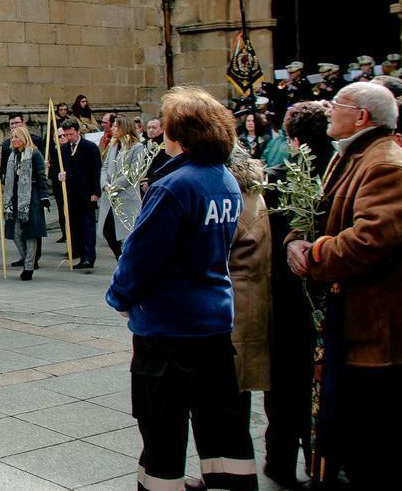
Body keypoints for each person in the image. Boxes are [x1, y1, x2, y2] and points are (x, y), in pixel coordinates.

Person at [106, 86, 257, 491]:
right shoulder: (223, 179)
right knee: (222, 429)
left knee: (163, 431)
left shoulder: (175, 186)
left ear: (179, 134)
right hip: (213, 321)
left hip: (168, 328)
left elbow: (142, 254)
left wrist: (120, 297)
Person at [286, 82, 402, 488]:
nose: (328, 110)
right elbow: (322, 213)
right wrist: (294, 242)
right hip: (345, 325)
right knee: (344, 435)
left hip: (372, 332)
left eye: (336, 104)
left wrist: (314, 255)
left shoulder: (385, 163)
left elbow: (371, 239)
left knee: (370, 445)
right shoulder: (352, 155)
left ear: (361, 117)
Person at [260, 101, 328, 487]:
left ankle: (281, 459)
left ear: (293, 138)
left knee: (285, 384)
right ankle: (319, 458)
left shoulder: (281, 180)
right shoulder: (336, 171)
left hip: (289, 297)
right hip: (322, 300)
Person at [225, 146, 272, 471]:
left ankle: (235, 473)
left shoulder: (235, 198)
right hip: (250, 302)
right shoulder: (252, 190)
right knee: (234, 402)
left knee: (229, 404)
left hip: (236, 307)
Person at [52, 119, 101, 270]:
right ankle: (79, 253)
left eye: (71, 134)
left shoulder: (89, 147)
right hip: (71, 195)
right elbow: (55, 170)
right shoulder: (64, 149)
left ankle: (89, 256)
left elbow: (96, 170)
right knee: (75, 227)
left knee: (88, 226)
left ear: (78, 132)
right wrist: (59, 175)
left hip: (86, 194)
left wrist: (95, 192)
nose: (68, 137)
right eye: (66, 134)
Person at [2, 125, 49, 280]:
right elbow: (9, 177)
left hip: (31, 198)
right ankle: (26, 259)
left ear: (24, 138)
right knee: (16, 233)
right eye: (12, 137)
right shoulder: (12, 156)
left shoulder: (34, 154)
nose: (14, 140)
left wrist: (44, 197)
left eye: (17, 136)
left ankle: (29, 266)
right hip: (15, 199)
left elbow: (42, 176)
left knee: (30, 234)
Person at [100, 116, 143, 261]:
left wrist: (114, 186)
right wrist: (105, 184)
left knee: (126, 233)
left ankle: (127, 261)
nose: (112, 129)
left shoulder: (137, 147)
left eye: (116, 127)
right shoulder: (113, 145)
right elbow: (105, 167)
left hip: (126, 197)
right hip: (110, 195)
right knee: (107, 230)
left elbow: (132, 173)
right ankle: (121, 258)